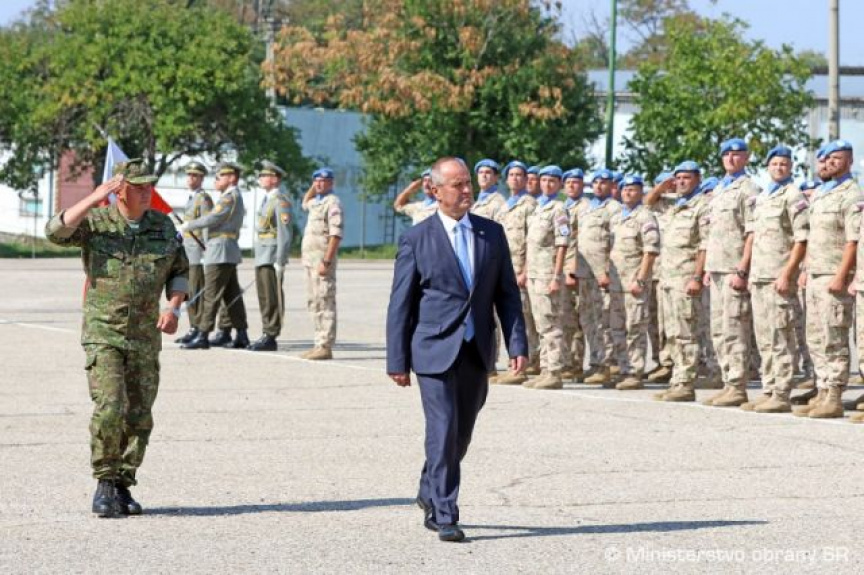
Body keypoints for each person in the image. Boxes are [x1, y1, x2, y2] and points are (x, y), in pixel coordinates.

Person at [386, 157, 527, 542]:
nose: (467, 190)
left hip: (476, 349)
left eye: (468, 183)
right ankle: (444, 512)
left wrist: (517, 342)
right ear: (435, 191)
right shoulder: (417, 238)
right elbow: (401, 304)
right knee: (443, 427)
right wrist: (397, 360)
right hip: (433, 350)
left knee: (460, 435)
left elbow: (507, 295)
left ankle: (429, 486)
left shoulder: (491, 233)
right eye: (458, 185)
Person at [45, 159, 188, 517]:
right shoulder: (97, 223)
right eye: (138, 187)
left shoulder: (162, 225)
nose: (146, 192)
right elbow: (55, 232)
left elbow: (180, 270)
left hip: (145, 335)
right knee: (110, 406)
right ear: (120, 190)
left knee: (139, 414)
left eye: (148, 186)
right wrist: (94, 197)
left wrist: (173, 308)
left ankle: (124, 483)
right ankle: (105, 482)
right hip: (104, 331)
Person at [795, 140, 862, 418]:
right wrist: (805, 269)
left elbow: (853, 241)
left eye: (838, 158)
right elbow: (813, 237)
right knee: (816, 335)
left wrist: (841, 275)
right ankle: (822, 390)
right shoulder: (823, 193)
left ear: (850, 161)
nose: (831, 162)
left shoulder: (851, 194)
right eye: (829, 158)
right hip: (816, 274)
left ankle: (834, 394)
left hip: (834, 276)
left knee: (834, 335)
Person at [741, 146, 809, 413]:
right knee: (764, 337)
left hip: (779, 277)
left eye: (784, 164)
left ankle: (781, 392)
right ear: (767, 167)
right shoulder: (763, 198)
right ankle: (769, 389)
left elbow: (801, 239)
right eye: (775, 164)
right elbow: (755, 237)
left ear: (790, 168)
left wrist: (787, 273)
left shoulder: (793, 195)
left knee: (781, 335)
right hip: (760, 276)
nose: (779, 168)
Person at [702, 138, 759, 407]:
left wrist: (743, 268)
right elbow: (711, 232)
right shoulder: (719, 189)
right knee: (719, 329)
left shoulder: (748, 189)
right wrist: (706, 267)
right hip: (716, 268)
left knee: (735, 328)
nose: (731, 158)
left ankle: (737, 385)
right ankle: (727, 381)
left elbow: (752, 232)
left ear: (746, 158)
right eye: (726, 154)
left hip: (734, 269)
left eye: (737, 154)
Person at [655, 161, 710, 402]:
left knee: (686, 332)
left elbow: (705, 245)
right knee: (672, 333)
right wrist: (662, 186)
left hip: (686, 278)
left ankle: (686, 383)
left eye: (686, 178)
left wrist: (697, 276)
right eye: (678, 178)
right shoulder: (674, 205)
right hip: (668, 278)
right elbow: (648, 202)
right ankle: (677, 380)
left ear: (698, 179)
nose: (681, 182)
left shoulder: (702, 206)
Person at [179, 162, 249, 350]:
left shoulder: (229, 197)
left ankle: (202, 334)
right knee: (231, 295)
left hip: (220, 250)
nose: (216, 180)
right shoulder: (231, 196)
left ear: (232, 178)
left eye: (220, 177)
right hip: (223, 250)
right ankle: (241, 333)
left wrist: (189, 225)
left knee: (211, 294)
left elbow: (212, 218)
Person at [608, 176, 660, 390]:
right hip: (616, 284)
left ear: (640, 192)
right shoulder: (616, 218)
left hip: (634, 284)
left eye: (632, 189)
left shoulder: (645, 216)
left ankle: (635, 372)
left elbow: (650, 251)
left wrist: (641, 279)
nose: (628, 193)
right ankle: (623, 369)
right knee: (617, 328)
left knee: (635, 328)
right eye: (625, 189)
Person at [523, 165, 570, 390]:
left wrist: (556, 275)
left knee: (551, 324)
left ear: (559, 184)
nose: (547, 184)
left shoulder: (558, 209)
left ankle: (554, 371)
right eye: (544, 180)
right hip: (534, 274)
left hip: (547, 274)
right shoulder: (537, 208)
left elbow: (562, 244)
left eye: (552, 181)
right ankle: (544, 369)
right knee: (541, 325)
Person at [493, 160, 539, 385]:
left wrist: (526, 270)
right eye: (511, 175)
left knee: (524, 319)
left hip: (521, 271)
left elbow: (534, 241)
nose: (515, 178)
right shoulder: (504, 206)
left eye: (520, 175)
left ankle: (523, 366)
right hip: (504, 269)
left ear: (526, 179)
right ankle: (516, 363)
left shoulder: (530, 205)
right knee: (508, 319)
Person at [580, 169, 621, 385]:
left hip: (602, 274)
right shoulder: (587, 208)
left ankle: (609, 364)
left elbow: (616, 242)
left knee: (605, 321)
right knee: (589, 320)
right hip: (585, 274)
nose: (598, 185)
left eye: (603, 182)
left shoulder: (613, 208)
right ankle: (596, 361)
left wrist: (607, 270)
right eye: (595, 182)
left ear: (612, 186)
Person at [248, 161, 292, 352]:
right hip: (262, 254)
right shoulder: (267, 200)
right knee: (264, 297)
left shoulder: (280, 201)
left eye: (264, 175)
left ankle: (271, 334)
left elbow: (285, 234)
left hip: (272, 256)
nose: (261, 178)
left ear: (275, 179)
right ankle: (266, 331)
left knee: (272, 297)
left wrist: (280, 260)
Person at [300, 167, 343, 360]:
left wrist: (327, 260)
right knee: (314, 302)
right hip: (310, 261)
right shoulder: (316, 203)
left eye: (323, 181)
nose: (319, 184)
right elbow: (304, 201)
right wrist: (314, 186)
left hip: (323, 261)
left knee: (325, 301)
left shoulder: (332, 203)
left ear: (331, 183)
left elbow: (336, 234)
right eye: (316, 180)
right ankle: (318, 342)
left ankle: (325, 345)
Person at [175, 161, 214, 345]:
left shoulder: (203, 199)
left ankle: (198, 327)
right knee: (189, 291)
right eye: (189, 175)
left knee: (196, 290)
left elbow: (207, 225)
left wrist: (207, 252)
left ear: (201, 178)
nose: (190, 178)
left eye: (195, 175)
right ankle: (193, 327)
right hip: (188, 251)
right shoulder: (191, 198)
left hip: (198, 252)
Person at [561, 169, 591, 380]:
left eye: (576, 182)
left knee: (577, 319)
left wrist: (572, 268)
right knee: (565, 318)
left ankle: (575, 362)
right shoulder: (563, 207)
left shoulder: (585, 208)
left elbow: (582, 241)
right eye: (568, 182)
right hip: (562, 268)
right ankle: (567, 361)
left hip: (576, 269)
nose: (572, 186)